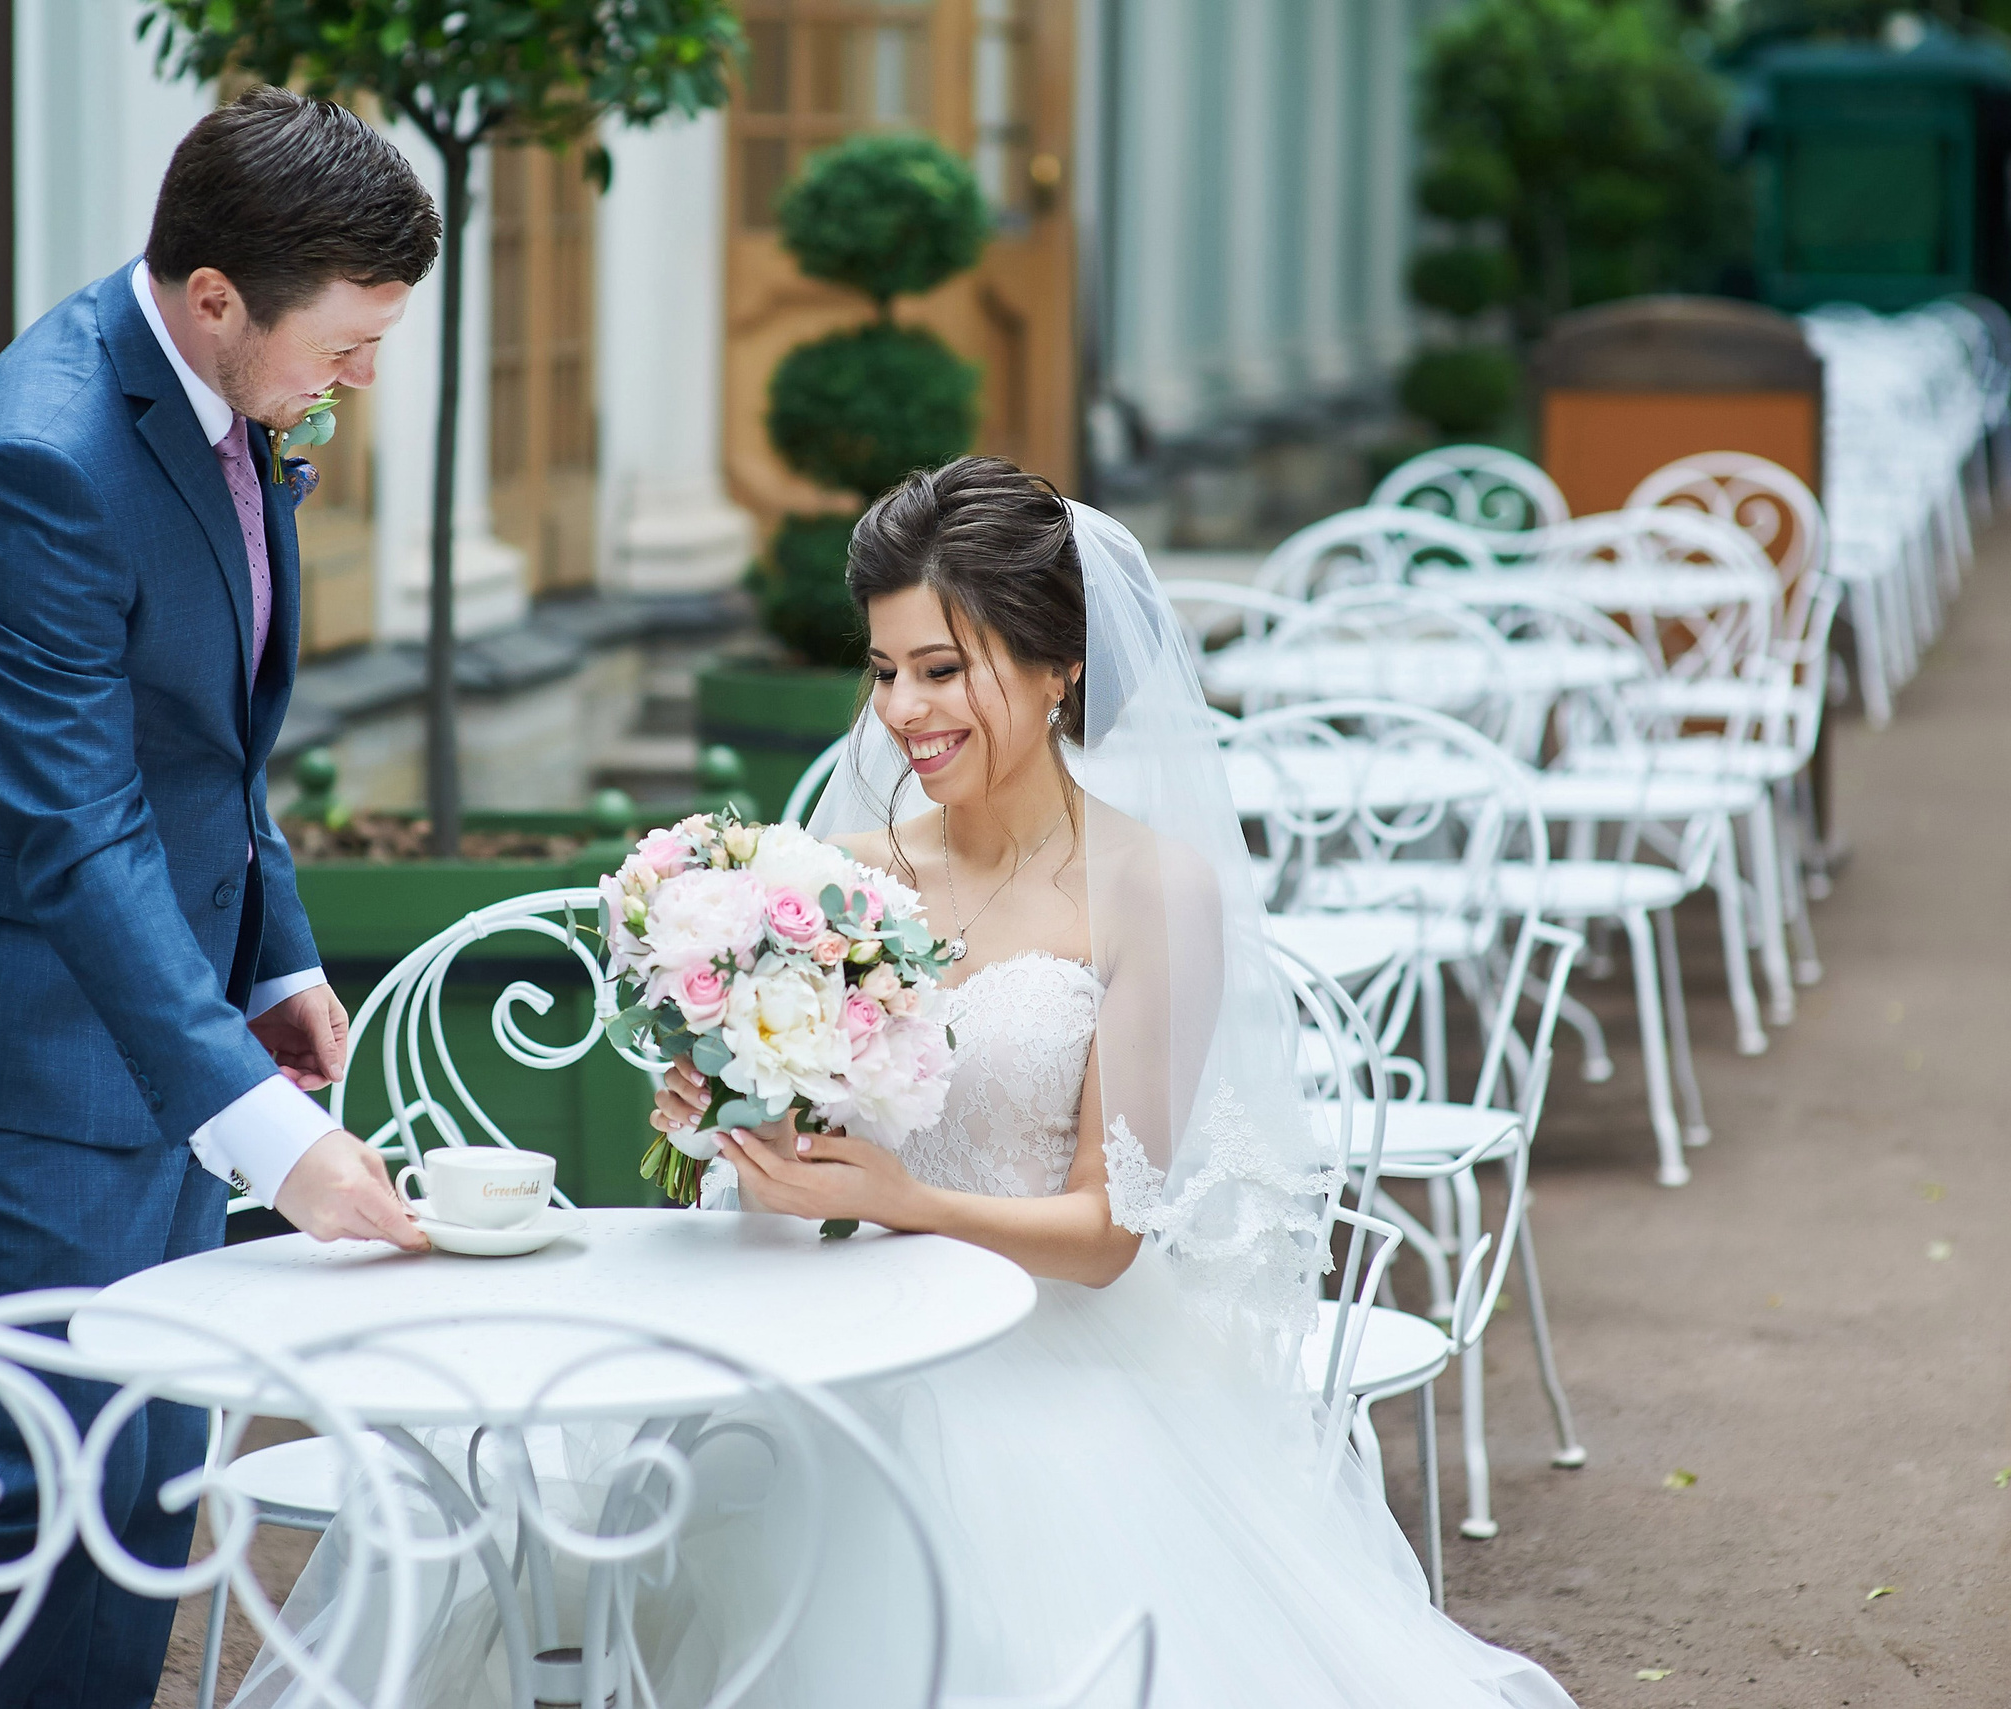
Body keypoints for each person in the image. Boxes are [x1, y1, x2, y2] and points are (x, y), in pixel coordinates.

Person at [240, 456, 1576, 1707]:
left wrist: (901, 1199)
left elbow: (1111, 1232)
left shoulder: (1150, 888)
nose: (905, 711)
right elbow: (812, 1147)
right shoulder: (842, 871)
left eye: (947, 668)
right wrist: (734, 1119)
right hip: (817, 1317)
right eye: (886, 670)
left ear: (1059, 666)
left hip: (1036, 1340)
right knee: (568, 1508)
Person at [0, 90, 433, 1708]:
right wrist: (273, 1132)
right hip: (26, 1035)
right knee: (67, 1482)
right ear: (214, 296)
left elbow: (205, 744)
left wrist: (277, 954)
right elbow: (78, 829)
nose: (363, 378)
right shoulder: (34, 459)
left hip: (167, 1004)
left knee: (140, 1485)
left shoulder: (218, 391)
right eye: (351, 340)